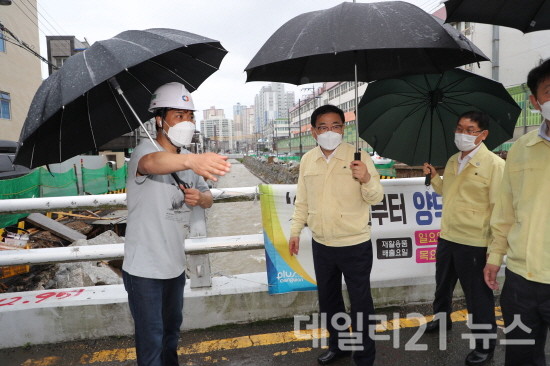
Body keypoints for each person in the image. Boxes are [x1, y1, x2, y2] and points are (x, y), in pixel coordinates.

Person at [122, 82, 231, 366]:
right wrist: (193, 160)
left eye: (191, 116)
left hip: (173, 266)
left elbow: (208, 198)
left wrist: (200, 197)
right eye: (179, 116)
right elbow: (153, 163)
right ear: (159, 120)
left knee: (171, 337)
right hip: (144, 269)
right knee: (151, 342)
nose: (188, 122)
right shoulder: (143, 151)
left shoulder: (186, 160)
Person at [288, 105, 383, 366]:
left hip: (355, 244)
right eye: (323, 127)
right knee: (329, 301)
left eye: (336, 126)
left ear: (344, 128)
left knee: (361, 303)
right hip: (322, 244)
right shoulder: (308, 160)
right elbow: (302, 202)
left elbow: (376, 197)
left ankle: (365, 357)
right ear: (313, 131)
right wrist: (295, 231)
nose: (330, 132)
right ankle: (338, 345)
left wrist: (366, 178)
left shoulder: (359, 157)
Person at [423, 111, 504, 366]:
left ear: (483, 135)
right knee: (442, 284)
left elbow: (500, 211)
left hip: (475, 242)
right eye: (459, 128)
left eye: (470, 130)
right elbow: (449, 192)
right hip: (448, 235)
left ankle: (485, 345)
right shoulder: (452, 160)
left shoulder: (494, 165)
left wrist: (494, 252)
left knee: (477, 297)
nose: (462, 134)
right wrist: (435, 178)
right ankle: (441, 317)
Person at [484, 59, 550, 366]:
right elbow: (505, 211)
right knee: (522, 356)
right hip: (522, 279)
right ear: (535, 101)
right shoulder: (521, 149)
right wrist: (495, 257)